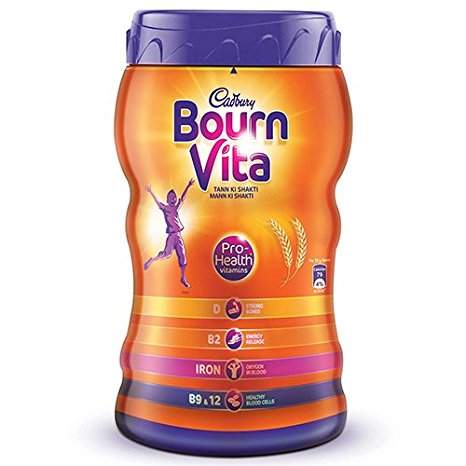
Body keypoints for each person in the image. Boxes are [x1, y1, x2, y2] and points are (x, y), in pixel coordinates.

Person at [144, 179, 195, 288]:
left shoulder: (176, 207)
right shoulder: (165, 208)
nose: (173, 199)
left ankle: (183, 278)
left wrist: (188, 185)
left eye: (174, 197)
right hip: (171, 236)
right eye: (171, 197)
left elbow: (183, 198)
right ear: (167, 200)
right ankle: (152, 260)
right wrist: (151, 192)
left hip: (178, 235)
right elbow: (158, 203)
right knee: (167, 254)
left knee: (182, 256)